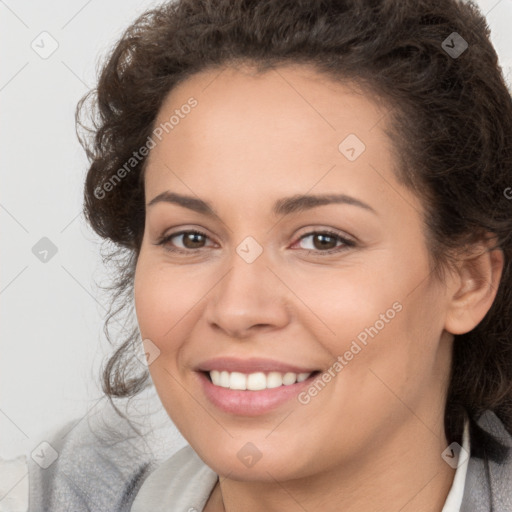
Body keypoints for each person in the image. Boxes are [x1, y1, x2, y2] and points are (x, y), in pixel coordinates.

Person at [13, 0, 512, 510]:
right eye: (190, 238)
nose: (237, 309)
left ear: (468, 280)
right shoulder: (61, 491)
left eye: (322, 240)